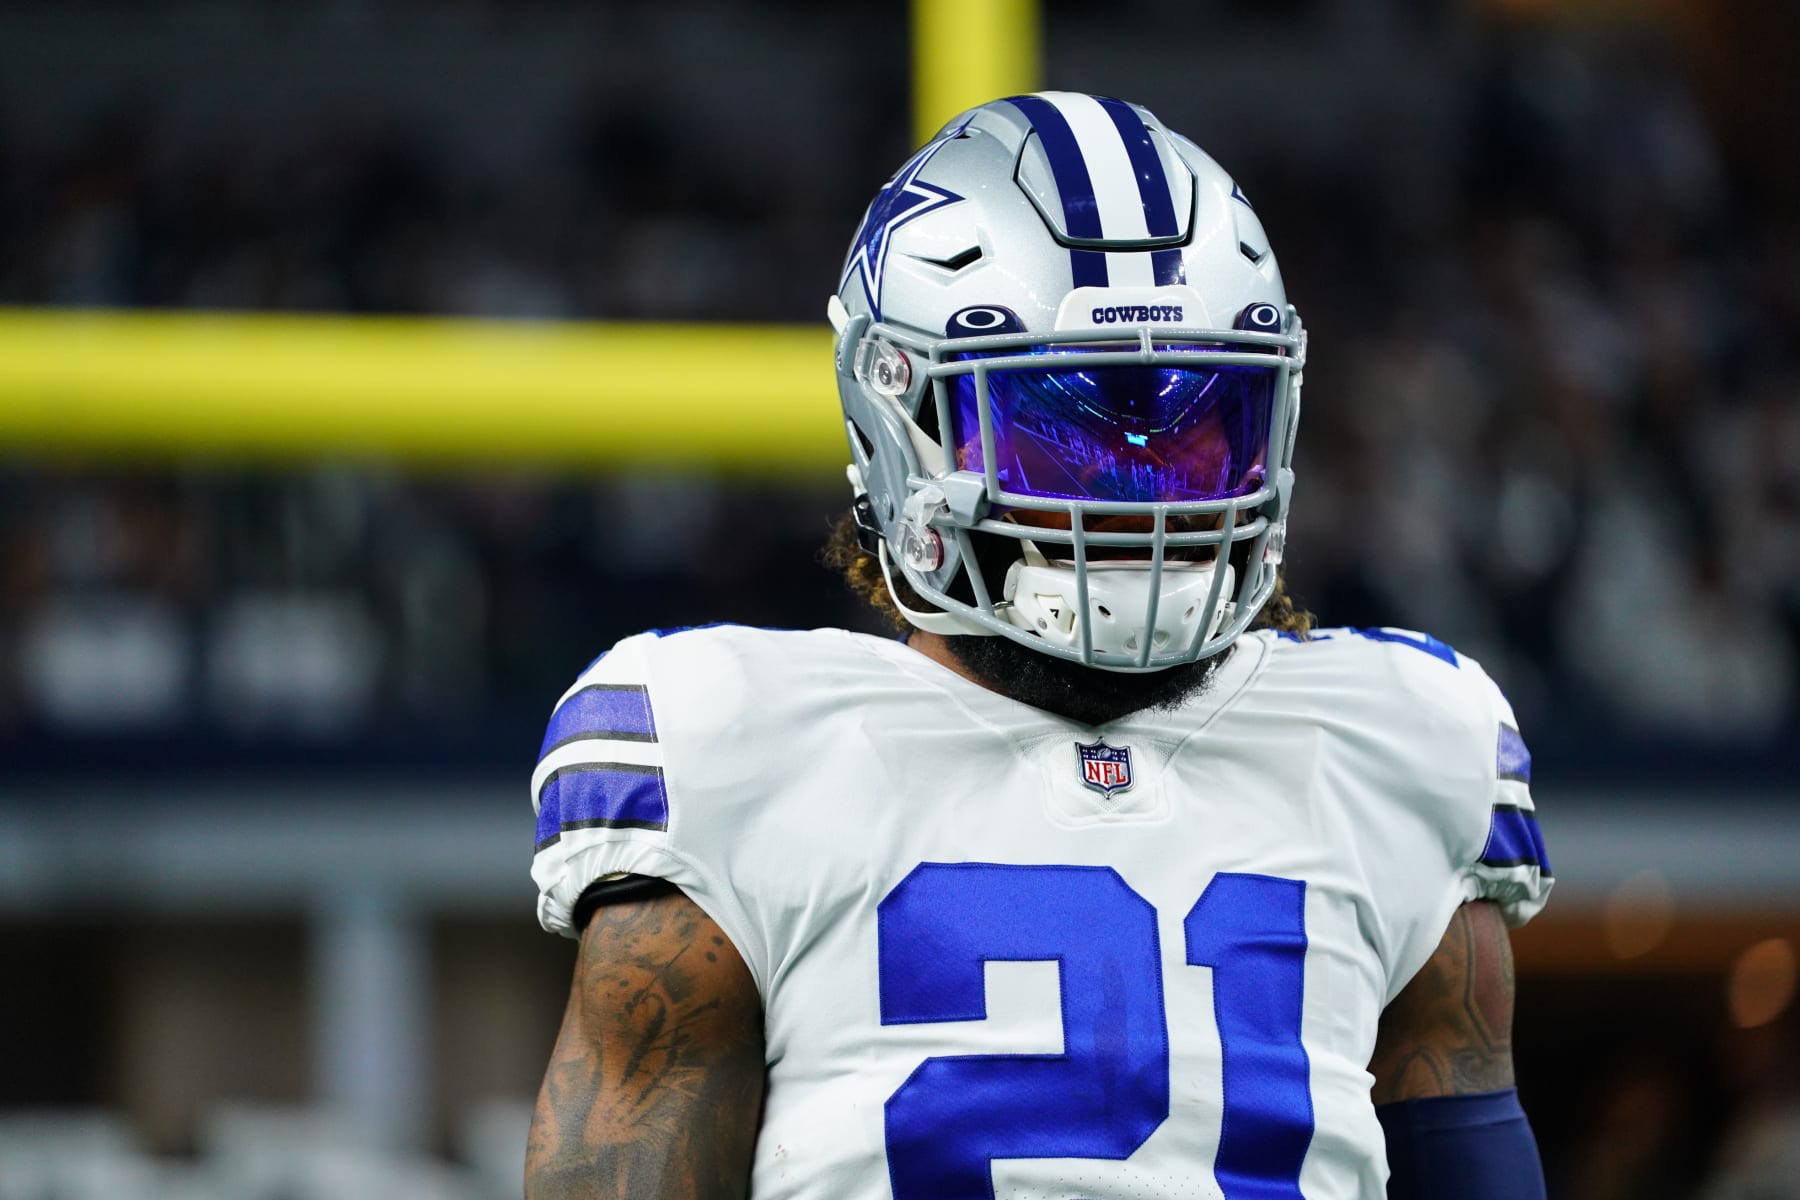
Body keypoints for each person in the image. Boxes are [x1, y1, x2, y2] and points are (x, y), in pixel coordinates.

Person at [524, 92, 1552, 1200]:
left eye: (1195, 432)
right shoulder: (729, 739)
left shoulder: (1404, 738)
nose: (1139, 494)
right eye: (1067, 433)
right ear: (902, 420)